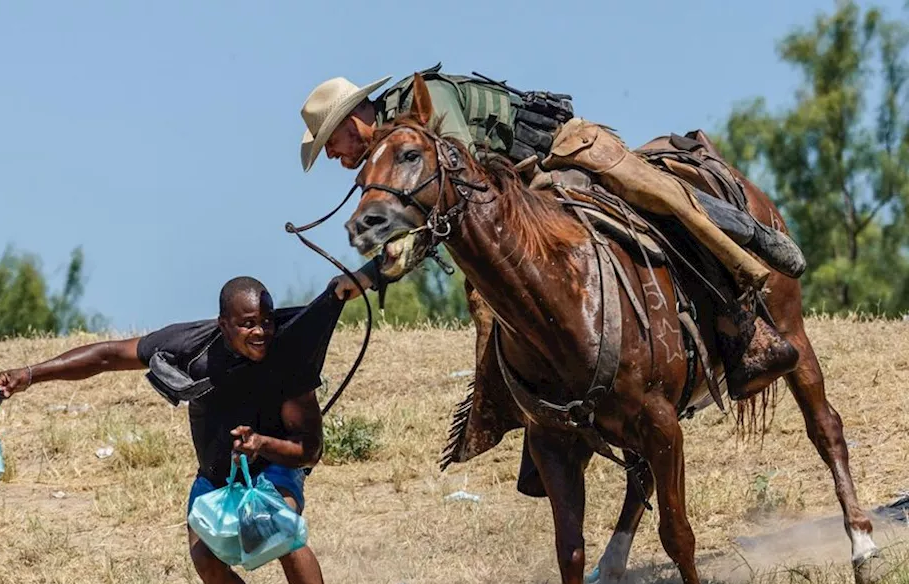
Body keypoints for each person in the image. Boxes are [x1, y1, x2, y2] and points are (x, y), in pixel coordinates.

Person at [300, 63, 806, 404]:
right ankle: (526, 406)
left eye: (332, 141)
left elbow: (459, 187)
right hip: (520, 195)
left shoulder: (423, 107)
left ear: (354, 119)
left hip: (560, 154)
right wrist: (370, 271)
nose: (332, 156)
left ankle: (745, 295)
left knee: (657, 203)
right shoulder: (391, 154)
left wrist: (372, 271)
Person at [0, 276, 365, 584]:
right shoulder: (191, 344)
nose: (260, 332)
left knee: (280, 529)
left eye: (266, 321)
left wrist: (262, 443)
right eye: (247, 324)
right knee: (206, 559)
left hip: (274, 464)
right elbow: (107, 357)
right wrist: (30, 374)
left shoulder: (289, 355)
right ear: (224, 324)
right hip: (216, 476)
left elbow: (310, 450)